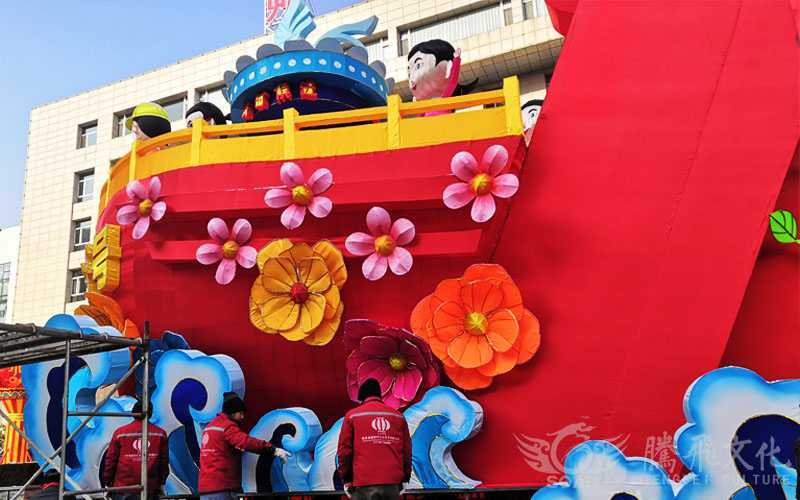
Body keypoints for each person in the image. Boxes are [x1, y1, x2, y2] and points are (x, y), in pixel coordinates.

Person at [198, 392, 291, 500]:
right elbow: (246, 442)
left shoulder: (210, 427)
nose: (242, 417)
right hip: (223, 488)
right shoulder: (227, 427)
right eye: (240, 413)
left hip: (206, 490)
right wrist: (272, 449)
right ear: (231, 412)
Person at [337, 379, 412, 500]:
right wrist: (405, 478)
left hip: (363, 483)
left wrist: (347, 478)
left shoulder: (352, 416)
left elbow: (344, 451)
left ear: (361, 397)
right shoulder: (398, 416)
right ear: (379, 395)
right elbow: (406, 451)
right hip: (392, 483)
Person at [103, 400, 169, 500]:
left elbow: (110, 460)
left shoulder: (120, 433)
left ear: (134, 412)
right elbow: (163, 462)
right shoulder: (160, 434)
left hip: (123, 487)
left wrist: (107, 482)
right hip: (149, 488)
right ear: (150, 413)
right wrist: (161, 482)